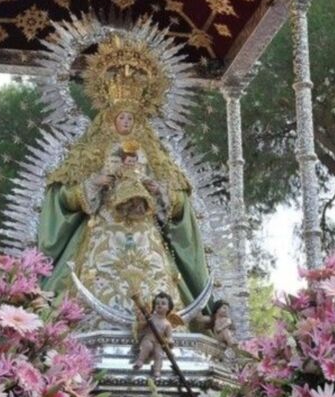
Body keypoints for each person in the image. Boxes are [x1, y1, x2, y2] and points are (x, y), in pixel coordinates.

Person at [37, 33, 210, 320]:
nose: (126, 123)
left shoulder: (153, 153)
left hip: (146, 235)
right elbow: (63, 198)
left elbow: (180, 204)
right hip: (101, 232)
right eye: (121, 118)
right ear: (109, 118)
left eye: (131, 118)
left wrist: (159, 191)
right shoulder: (91, 151)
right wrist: (93, 184)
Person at [132, 292, 175, 378]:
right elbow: (142, 325)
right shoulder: (151, 317)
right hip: (148, 338)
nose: (159, 305)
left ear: (168, 307)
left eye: (163, 303)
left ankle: (157, 370)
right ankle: (140, 361)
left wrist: (169, 341)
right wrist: (142, 321)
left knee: (159, 355)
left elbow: (170, 337)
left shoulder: (167, 324)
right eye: (157, 303)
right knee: (147, 346)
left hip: (159, 342)